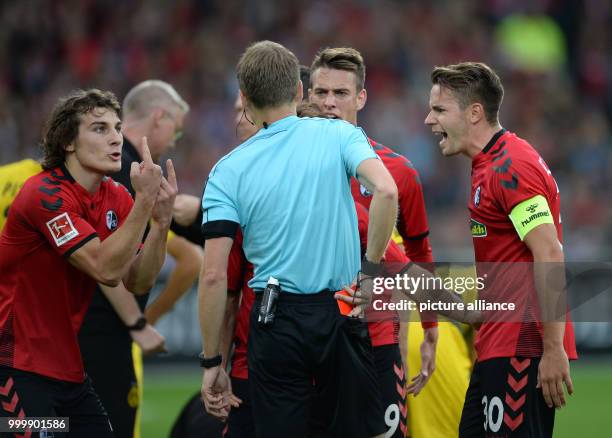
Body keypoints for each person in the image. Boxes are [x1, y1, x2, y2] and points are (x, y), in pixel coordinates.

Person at [199, 40, 399, 438]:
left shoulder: (226, 171)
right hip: (340, 309)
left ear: (245, 99)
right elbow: (387, 192)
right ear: (298, 91)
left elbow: (213, 278)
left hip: (275, 320)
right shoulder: (340, 135)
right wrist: (370, 271)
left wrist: (211, 364)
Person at [309, 47, 472, 438]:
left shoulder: (395, 172)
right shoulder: (295, 169)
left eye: (341, 93)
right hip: (309, 338)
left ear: (361, 98)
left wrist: (428, 329)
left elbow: (417, 253)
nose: (329, 102)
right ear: (307, 95)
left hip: (377, 338)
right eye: (320, 92)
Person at [0, 88, 176, 435]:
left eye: (116, 127)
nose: (115, 138)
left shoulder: (115, 195)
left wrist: (161, 224)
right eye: (99, 128)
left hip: (68, 372)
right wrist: (143, 204)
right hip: (14, 369)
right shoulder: (45, 195)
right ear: (68, 142)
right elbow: (105, 270)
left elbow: (137, 282)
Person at [424, 62, 577, 437]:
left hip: (522, 346)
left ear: (474, 112)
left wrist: (553, 349)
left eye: (440, 110)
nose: (429, 120)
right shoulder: (489, 164)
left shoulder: (511, 168)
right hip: (497, 344)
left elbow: (550, 253)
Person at [77, 79, 202, 438]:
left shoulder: (136, 174)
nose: (173, 143)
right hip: (94, 334)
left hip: (101, 333)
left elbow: (140, 276)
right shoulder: (121, 171)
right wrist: (138, 323)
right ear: (159, 117)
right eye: (175, 133)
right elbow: (102, 259)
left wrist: (163, 221)